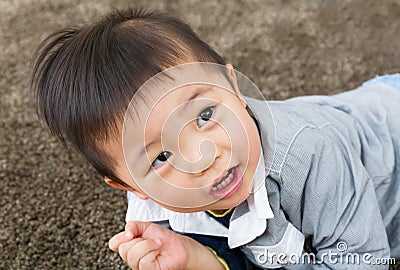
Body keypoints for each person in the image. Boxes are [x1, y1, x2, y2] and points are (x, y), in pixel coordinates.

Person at [30, 8, 399, 269]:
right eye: (161, 158)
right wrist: (197, 260)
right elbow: (233, 248)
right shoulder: (155, 208)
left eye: (204, 116)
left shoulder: (310, 156)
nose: (202, 158)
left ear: (234, 86)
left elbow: (364, 260)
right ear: (129, 185)